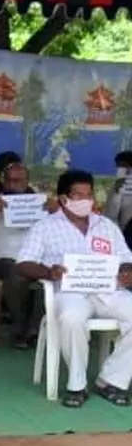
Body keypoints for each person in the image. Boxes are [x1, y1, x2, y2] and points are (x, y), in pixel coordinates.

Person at [16, 170, 132, 408]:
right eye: (77, 195)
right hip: (69, 292)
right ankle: (76, 384)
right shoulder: (45, 227)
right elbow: (24, 263)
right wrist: (49, 272)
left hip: (107, 290)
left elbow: (126, 259)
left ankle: (111, 380)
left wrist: (126, 271)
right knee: (72, 317)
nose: (84, 201)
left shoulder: (106, 226)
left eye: (88, 195)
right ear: (63, 198)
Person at [0, 162, 44, 348]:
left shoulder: (39, 203)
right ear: (3, 181)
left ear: (27, 182)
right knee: (16, 274)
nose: (13, 185)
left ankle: (34, 329)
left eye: (18, 181)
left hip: (36, 257)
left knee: (51, 277)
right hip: (4, 258)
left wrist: (55, 213)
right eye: (9, 181)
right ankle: (21, 327)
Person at [104, 150, 132, 232]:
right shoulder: (117, 187)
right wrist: (117, 192)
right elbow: (110, 215)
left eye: (124, 166)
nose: (121, 170)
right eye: (119, 167)